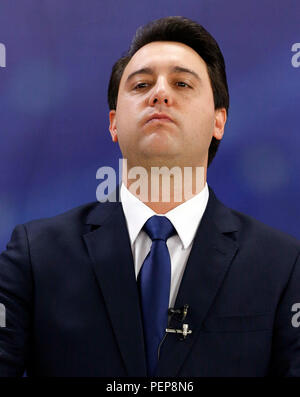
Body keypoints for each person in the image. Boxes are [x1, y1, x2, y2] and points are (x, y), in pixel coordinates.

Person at [0, 16, 300, 377]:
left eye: (182, 83)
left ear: (219, 121)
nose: (160, 93)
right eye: (141, 84)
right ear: (113, 122)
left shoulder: (283, 265)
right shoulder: (36, 254)